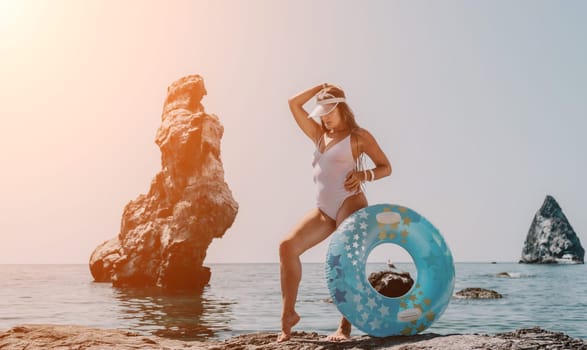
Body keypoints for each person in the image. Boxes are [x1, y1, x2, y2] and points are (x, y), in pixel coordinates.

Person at [278, 83, 392, 342]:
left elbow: (386, 167)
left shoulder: (359, 136)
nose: (325, 116)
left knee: (345, 258)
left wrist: (365, 174)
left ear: (342, 108)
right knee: (287, 247)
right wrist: (319, 86)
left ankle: (345, 328)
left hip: (350, 201)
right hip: (323, 210)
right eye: (322, 112)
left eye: (330, 110)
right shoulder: (319, 135)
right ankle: (288, 317)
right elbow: (293, 103)